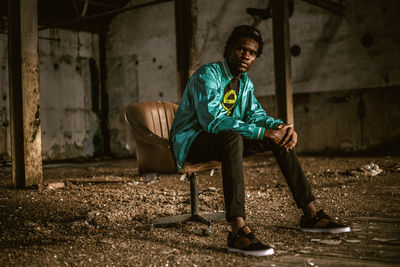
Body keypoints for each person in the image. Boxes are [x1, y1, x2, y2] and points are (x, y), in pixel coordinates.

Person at [170, 25, 350, 257]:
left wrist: (279, 128)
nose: (246, 56)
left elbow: (256, 116)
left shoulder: (245, 83)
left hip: (225, 140)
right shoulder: (207, 75)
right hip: (192, 141)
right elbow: (212, 121)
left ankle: (311, 214)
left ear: (256, 57)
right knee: (233, 136)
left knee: (275, 139)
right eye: (240, 50)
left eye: (252, 53)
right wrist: (260, 132)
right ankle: (238, 232)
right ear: (228, 50)